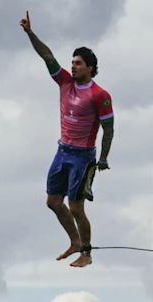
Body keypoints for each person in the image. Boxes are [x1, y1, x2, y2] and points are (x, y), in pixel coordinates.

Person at [19, 11, 114, 268]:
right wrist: (30, 33)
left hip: (83, 156)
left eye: (78, 63)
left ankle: (86, 252)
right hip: (62, 151)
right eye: (72, 62)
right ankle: (74, 241)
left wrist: (103, 158)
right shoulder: (64, 82)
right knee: (52, 202)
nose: (73, 66)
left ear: (91, 68)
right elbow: (47, 56)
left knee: (75, 207)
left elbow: (109, 128)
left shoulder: (99, 95)